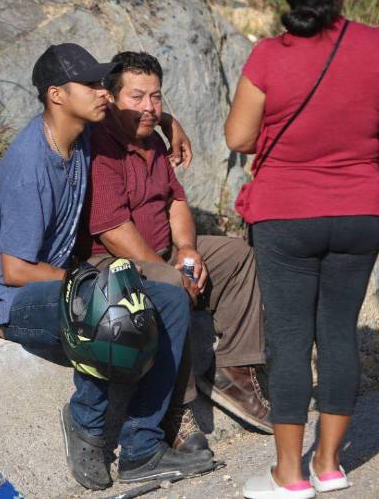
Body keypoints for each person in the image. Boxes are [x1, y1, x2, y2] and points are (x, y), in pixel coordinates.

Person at [226, 0, 379, 499]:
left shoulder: (269, 55)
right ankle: (329, 465)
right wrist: (354, 131)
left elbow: (239, 136)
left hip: (285, 213)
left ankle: (289, 475)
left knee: (290, 340)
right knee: (338, 333)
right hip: (359, 210)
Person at [0, 43, 214, 490]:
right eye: (91, 85)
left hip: (57, 285)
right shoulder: (30, 164)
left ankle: (142, 449)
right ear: (57, 95)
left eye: (104, 84)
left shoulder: (81, 135)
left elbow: (135, 116)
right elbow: (15, 270)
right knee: (109, 306)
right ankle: (86, 425)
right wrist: (94, 282)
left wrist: (169, 122)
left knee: (170, 299)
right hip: (13, 303)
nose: (104, 93)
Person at [79, 51, 272, 455]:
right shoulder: (100, 146)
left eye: (156, 96)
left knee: (238, 255)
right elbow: (113, 231)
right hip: (112, 264)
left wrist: (186, 248)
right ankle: (175, 409)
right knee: (169, 287)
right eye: (137, 97)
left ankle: (235, 371)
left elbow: (176, 201)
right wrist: (169, 271)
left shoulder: (151, 136)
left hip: (162, 249)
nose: (149, 107)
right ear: (111, 98)